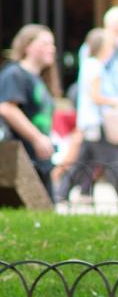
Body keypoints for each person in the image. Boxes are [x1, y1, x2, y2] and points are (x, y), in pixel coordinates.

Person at [58, 28, 118, 205]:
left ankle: (62, 191)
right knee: (112, 158)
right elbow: (95, 96)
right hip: (96, 121)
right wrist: (114, 102)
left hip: (89, 122)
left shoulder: (89, 64)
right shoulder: (96, 66)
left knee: (84, 159)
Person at [0, 24, 60, 199]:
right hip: (22, 160)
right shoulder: (15, 73)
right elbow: (6, 107)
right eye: (45, 43)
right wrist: (37, 138)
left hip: (39, 159)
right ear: (28, 46)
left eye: (52, 44)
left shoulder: (39, 79)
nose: (52, 48)